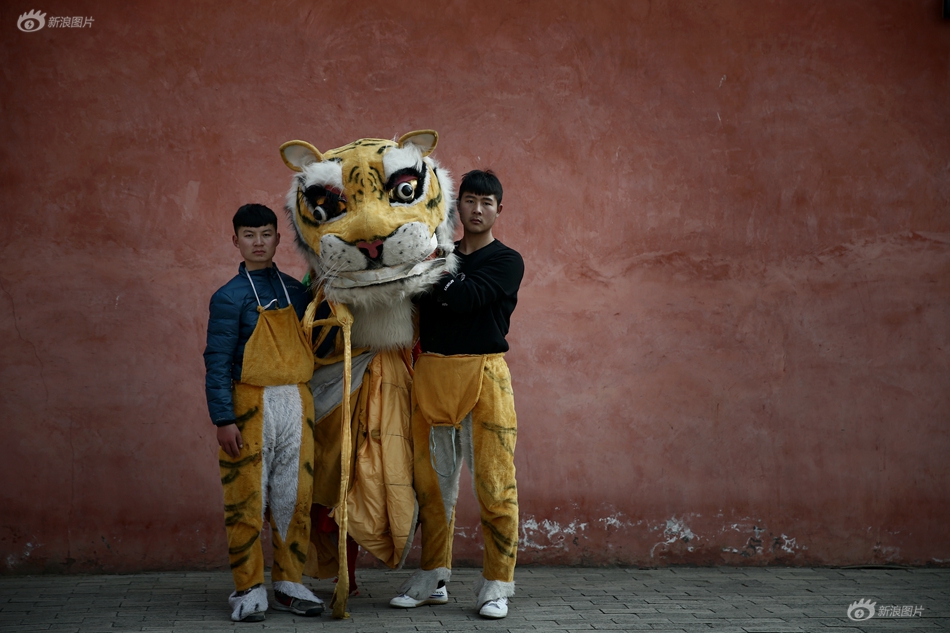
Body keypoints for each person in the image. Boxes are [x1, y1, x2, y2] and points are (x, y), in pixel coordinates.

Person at [390, 170, 524, 619]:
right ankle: (433, 576)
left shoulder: (507, 261)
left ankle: (496, 585)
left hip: (485, 376)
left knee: (495, 485)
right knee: (431, 487)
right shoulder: (442, 253)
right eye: (470, 201)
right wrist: (435, 273)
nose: (478, 209)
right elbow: (414, 298)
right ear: (457, 207)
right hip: (432, 373)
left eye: (487, 202)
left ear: (499, 210)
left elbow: (467, 298)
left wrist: (430, 270)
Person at [203, 204, 324, 622]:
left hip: (296, 402)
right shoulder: (227, 298)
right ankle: (248, 588)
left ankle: (290, 582)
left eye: (266, 234)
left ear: (277, 238)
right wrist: (223, 419)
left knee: (295, 498)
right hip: (249, 406)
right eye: (249, 234)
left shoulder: (298, 292)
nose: (258, 242)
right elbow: (217, 362)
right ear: (235, 239)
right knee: (247, 501)